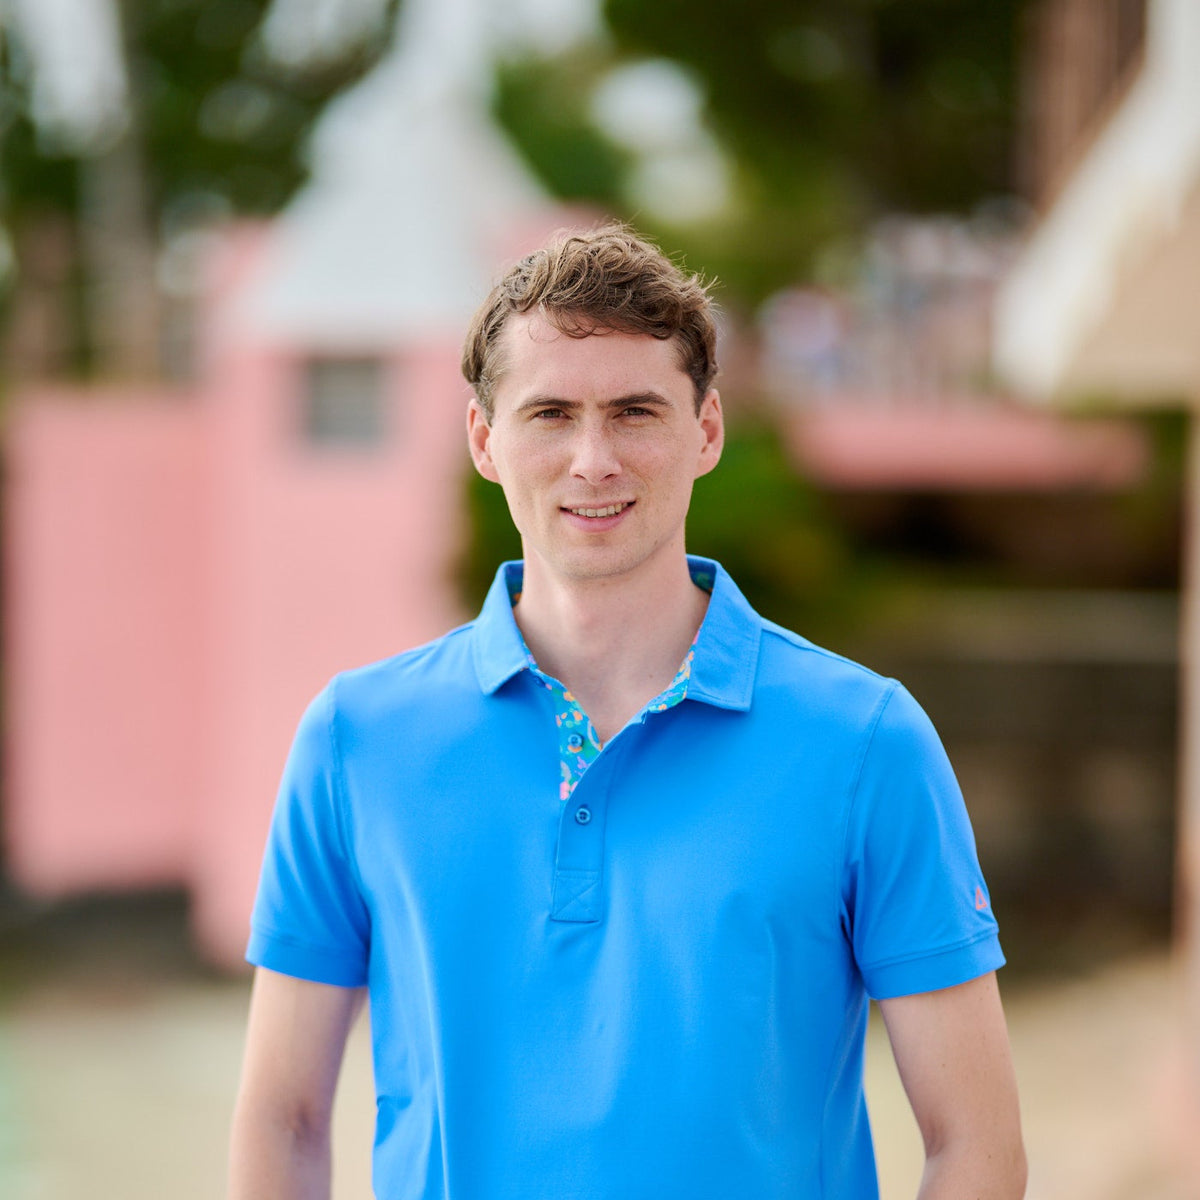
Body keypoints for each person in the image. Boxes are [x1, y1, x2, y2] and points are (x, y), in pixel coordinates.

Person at [229, 225, 1026, 1199]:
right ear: (485, 439)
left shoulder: (865, 742)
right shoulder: (356, 740)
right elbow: (284, 1119)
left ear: (707, 430)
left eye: (636, 412)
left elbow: (975, 1144)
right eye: (551, 413)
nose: (594, 459)